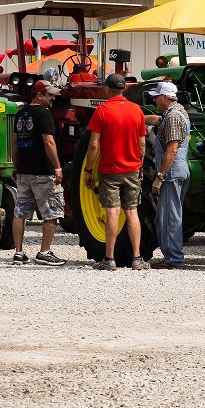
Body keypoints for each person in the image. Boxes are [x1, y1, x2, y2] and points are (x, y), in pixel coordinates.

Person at [83, 72, 147, 271]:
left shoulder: (102, 110)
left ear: (106, 89)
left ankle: (109, 259)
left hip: (110, 170)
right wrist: (140, 164)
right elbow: (142, 143)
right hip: (133, 169)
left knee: (112, 212)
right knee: (132, 211)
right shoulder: (137, 110)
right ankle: (137, 258)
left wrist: (88, 170)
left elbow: (93, 145)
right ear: (124, 89)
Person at [10, 79, 66, 267]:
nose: (52, 98)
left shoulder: (20, 114)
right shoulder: (44, 114)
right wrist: (57, 167)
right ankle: (44, 252)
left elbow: (15, 143)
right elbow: (48, 142)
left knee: (20, 212)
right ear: (39, 95)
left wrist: (16, 166)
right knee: (50, 212)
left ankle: (18, 253)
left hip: (24, 171)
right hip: (42, 171)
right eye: (49, 95)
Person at [145, 80, 190, 269]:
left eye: (156, 97)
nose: (154, 100)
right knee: (171, 213)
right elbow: (156, 120)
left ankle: (174, 259)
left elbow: (171, 150)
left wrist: (159, 177)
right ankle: (172, 256)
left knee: (170, 215)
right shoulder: (177, 112)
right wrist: (134, 117)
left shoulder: (172, 118)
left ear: (164, 97)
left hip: (171, 173)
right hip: (179, 170)